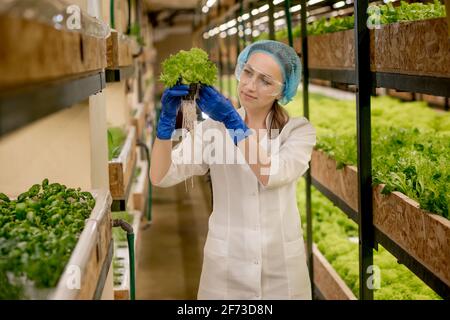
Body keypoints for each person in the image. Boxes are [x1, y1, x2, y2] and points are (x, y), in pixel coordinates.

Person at [150, 40, 316, 300]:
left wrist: (232, 121)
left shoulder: (297, 132)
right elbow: (161, 176)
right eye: (248, 72)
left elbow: (270, 174)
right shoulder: (211, 130)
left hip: (281, 271)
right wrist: (165, 126)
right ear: (240, 69)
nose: (250, 85)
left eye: (265, 81)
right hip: (225, 269)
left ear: (282, 91)